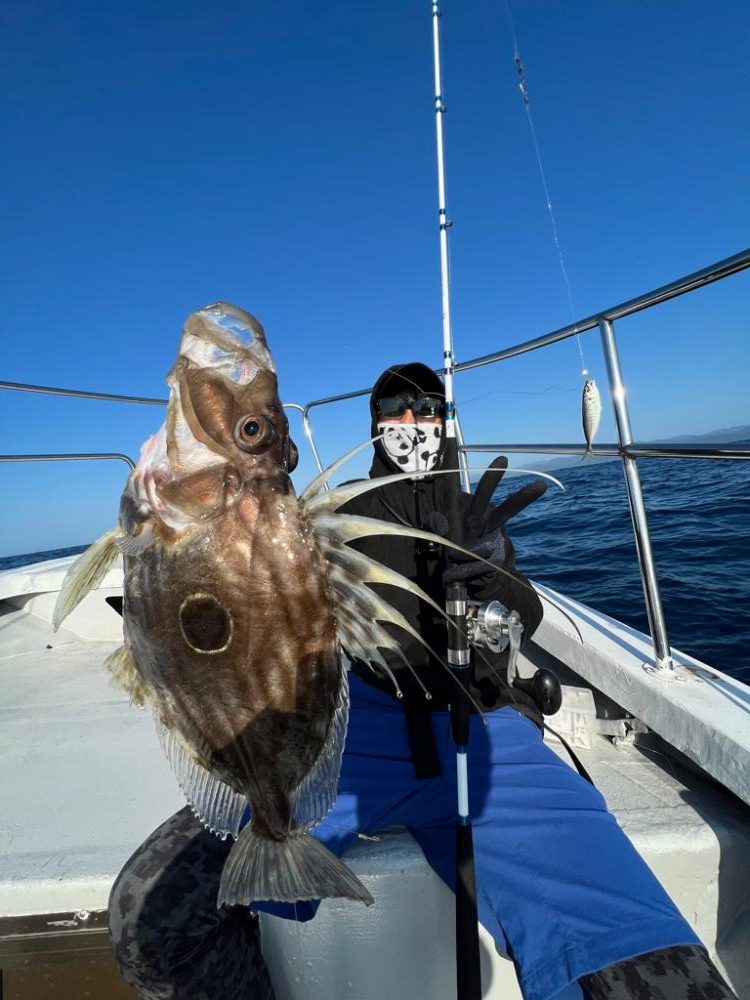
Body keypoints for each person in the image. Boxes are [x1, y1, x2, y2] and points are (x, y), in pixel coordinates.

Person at [109, 362, 737, 1000]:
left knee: (643, 962)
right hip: (357, 735)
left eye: (426, 409)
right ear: (376, 427)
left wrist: (490, 572)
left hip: (488, 735)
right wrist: (265, 459)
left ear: (445, 420)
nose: (412, 423)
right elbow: (257, 548)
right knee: (152, 918)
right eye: (395, 410)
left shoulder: (475, 512)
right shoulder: (343, 510)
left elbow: (524, 614)